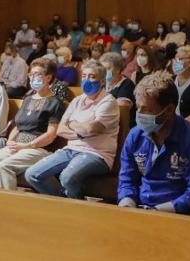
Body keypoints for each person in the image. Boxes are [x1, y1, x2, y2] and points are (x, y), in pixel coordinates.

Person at [117, 73, 190, 213]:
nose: (139, 113)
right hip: (139, 208)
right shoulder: (135, 135)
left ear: (168, 110)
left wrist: (159, 211)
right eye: (138, 107)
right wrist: (127, 202)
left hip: (178, 214)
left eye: (147, 109)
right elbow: (127, 178)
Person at [25, 60, 120, 198]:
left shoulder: (108, 101)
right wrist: (81, 132)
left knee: (67, 177)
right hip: (70, 150)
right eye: (84, 76)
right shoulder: (77, 100)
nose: (87, 80)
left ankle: (76, 210)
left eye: (92, 77)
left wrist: (73, 123)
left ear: (101, 81)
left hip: (97, 154)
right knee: (32, 174)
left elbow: (91, 129)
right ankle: (64, 202)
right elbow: (61, 129)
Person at [0, 60, 64, 190]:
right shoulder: (28, 99)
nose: (33, 78)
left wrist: (27, 145)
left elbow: (51, 135)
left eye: (37, 74)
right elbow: (17, 126)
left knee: (4, 167)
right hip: (17, 146)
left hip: (37, 148)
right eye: (31, 75)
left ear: (48, 77)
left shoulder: (55, 102)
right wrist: (10, 142)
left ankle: (10, 206)